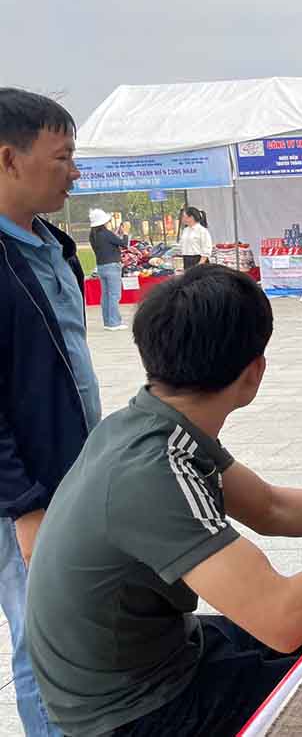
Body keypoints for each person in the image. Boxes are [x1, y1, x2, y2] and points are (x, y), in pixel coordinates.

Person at [25, 265, 302, 737]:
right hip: (134, 710)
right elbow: (281, 618)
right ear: (255, 371)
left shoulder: (148, 422)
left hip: (159, 655)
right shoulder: (153, 471)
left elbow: (270, 508)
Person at [0, 87, 97, 737]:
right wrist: (24, 506)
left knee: (77, 629)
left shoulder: (54, 246)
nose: (74, 173)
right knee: (40, 637)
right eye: (61, 158)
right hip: (21, 494)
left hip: (72, 472)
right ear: (9, 160)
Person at [88, 207, 129, 330]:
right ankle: (114, 323)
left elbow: (110, 243)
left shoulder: (93, 235)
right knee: (114, 295)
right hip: (112, 266)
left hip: (101, 266)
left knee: (106, 295)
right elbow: (124, 244)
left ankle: (108, 322)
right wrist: (125, 233)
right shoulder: (106, 233)